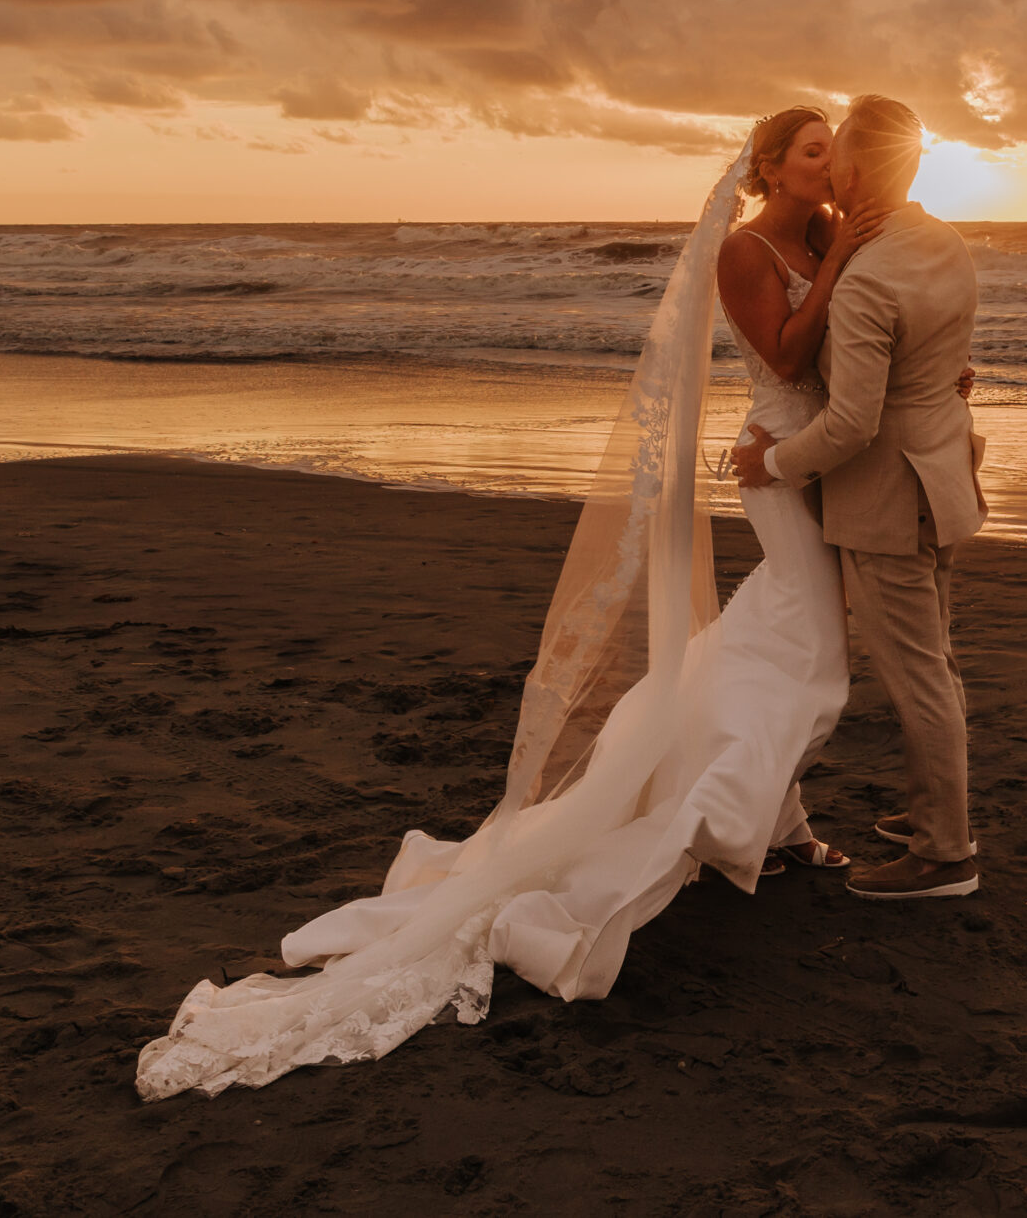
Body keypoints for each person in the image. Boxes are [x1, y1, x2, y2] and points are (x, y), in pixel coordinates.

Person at [133, 105, 960, 1099]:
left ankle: (774, 827)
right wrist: (837, 278)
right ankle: (722, 815)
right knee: (816, 662)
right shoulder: (749, 252)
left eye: (839, 151)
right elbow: (786, 357)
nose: (833, 167)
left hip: (823, 465)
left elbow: (868, 338)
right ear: (775, 169)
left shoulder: (835, 233)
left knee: (778, 643)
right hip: (774, 461)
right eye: (815, 152)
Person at [731, 94, 986, 901]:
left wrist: (773, 463)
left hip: (883, 494)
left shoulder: (867, 272)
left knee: (918, 674)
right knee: (933, 659)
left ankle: (947, 853)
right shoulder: (945, 242)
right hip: (940, 477)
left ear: (854, 169)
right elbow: (938, 352)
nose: (827, 162)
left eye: (834, 150)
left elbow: (850, 422)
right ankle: (931, 816)